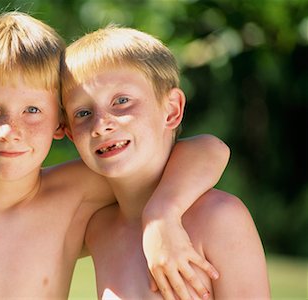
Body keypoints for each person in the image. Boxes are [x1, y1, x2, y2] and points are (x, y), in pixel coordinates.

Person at [0, 8, 229, 299]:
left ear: (60, 124)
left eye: (33, 111)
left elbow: (206, 149)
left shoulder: (76, 196)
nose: (9, 130)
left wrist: (162, 215)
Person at [59, 26, 270, 298]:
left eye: (121, 101)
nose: (100, 125)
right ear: (68, 133)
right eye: (83, 112)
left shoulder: (219, 217)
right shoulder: (99, 230)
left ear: (171, 110)